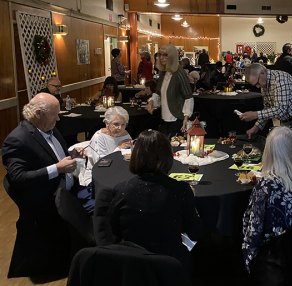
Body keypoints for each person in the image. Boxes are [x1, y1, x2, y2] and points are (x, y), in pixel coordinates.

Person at [2, 93, 77, 278]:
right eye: (55, 114)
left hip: (64, 190)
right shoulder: (17, 139)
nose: (58, 118)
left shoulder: (48, 127)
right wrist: (57, 169)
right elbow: (18, 178)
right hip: (46, 201)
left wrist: (72, 155)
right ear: (38, 113)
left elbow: (55, 154)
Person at [107, 129, 204, 273]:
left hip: (131, 266)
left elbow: (113, 231)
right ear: (167, 156)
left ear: (136, 155)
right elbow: (195, 232)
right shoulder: (180, 190)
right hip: (170, 266)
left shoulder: (121, 190)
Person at [242, 127, 292, 271]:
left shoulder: (266, 185)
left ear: (269, 151)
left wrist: (250, 262)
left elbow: (253, 229)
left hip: (277, 259)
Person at [240, 63, 292, 152]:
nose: (258, 86)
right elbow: (268, 109)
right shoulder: (264, 84)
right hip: (286, 120)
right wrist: (256, 127)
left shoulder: (280, 79)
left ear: (262, 72)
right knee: (287, 152)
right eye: (255, 85)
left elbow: (280, 109)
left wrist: (255, 114)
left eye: (257, 83)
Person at [81, 106, 132, 187]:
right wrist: (119, 148)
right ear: (107, 123)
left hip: (119, 174)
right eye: (116, 124)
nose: (120, 128)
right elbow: (102, 164)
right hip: (98, 177)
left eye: (123, 124)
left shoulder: (125, 134)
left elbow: (127, 158)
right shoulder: (99, 137)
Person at [156, 44, 194, 138]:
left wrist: (186, 117)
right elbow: (158, 91)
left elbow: (188, 96)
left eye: (165, 55)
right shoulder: (163, 72)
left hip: (176, 117)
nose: (161, 58)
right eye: (160, 55)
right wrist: (152, 101)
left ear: (172, 56)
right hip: (164, 117)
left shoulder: (179, 73)